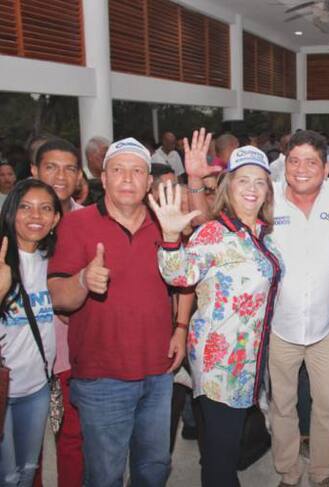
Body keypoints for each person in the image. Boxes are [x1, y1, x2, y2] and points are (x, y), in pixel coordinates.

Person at [47, 137, 184, 487]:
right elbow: (58, 297)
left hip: (158, 370)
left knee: (154, 467)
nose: (127, 178)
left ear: (148, 181)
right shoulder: (77, 224)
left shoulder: (164, 223)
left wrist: (181, 328)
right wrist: (83, 279)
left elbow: (185, 280)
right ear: (103, 178)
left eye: (137, 171)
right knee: (104, 474)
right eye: (118, 170)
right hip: (101, 375)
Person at [152, 145, 282, 487]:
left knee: (218, 451)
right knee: (222, 459)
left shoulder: (259, 232)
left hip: (246, 360)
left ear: (268, 191)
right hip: (221, 365)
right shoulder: (215, 232)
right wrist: (170, 237)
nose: (252, 188)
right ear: (228, 186)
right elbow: (180, 275)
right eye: (243, 180)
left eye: (260, 181)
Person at [269, 130, 329, 487]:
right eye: (294, 161)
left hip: (328, 326)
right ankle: (289, 472)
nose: (301, 169)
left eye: (311, 162)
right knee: (282, 405)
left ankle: (322, 473)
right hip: (279, 325)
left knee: (328, 404)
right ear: (284, 164)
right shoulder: (268, 197)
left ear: (326, 168)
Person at [0, 179, 62, 486]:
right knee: (7, 476)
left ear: (56, 218)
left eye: (45, 208)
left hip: (36, 388)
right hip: (2, 390)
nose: (35, 215)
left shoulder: (53, 262)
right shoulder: (1, 261)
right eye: (25, 207)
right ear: (11, 212)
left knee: (27, 470)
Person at [30, 137, 85, 487]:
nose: (60, 176)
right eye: (51, 167)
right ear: (34, 170)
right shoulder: (15, 222)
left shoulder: (90, 221)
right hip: (23, 355)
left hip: (70, 353)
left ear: (79, 176)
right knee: (26, 444)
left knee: (72, 438)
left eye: (69, 169)